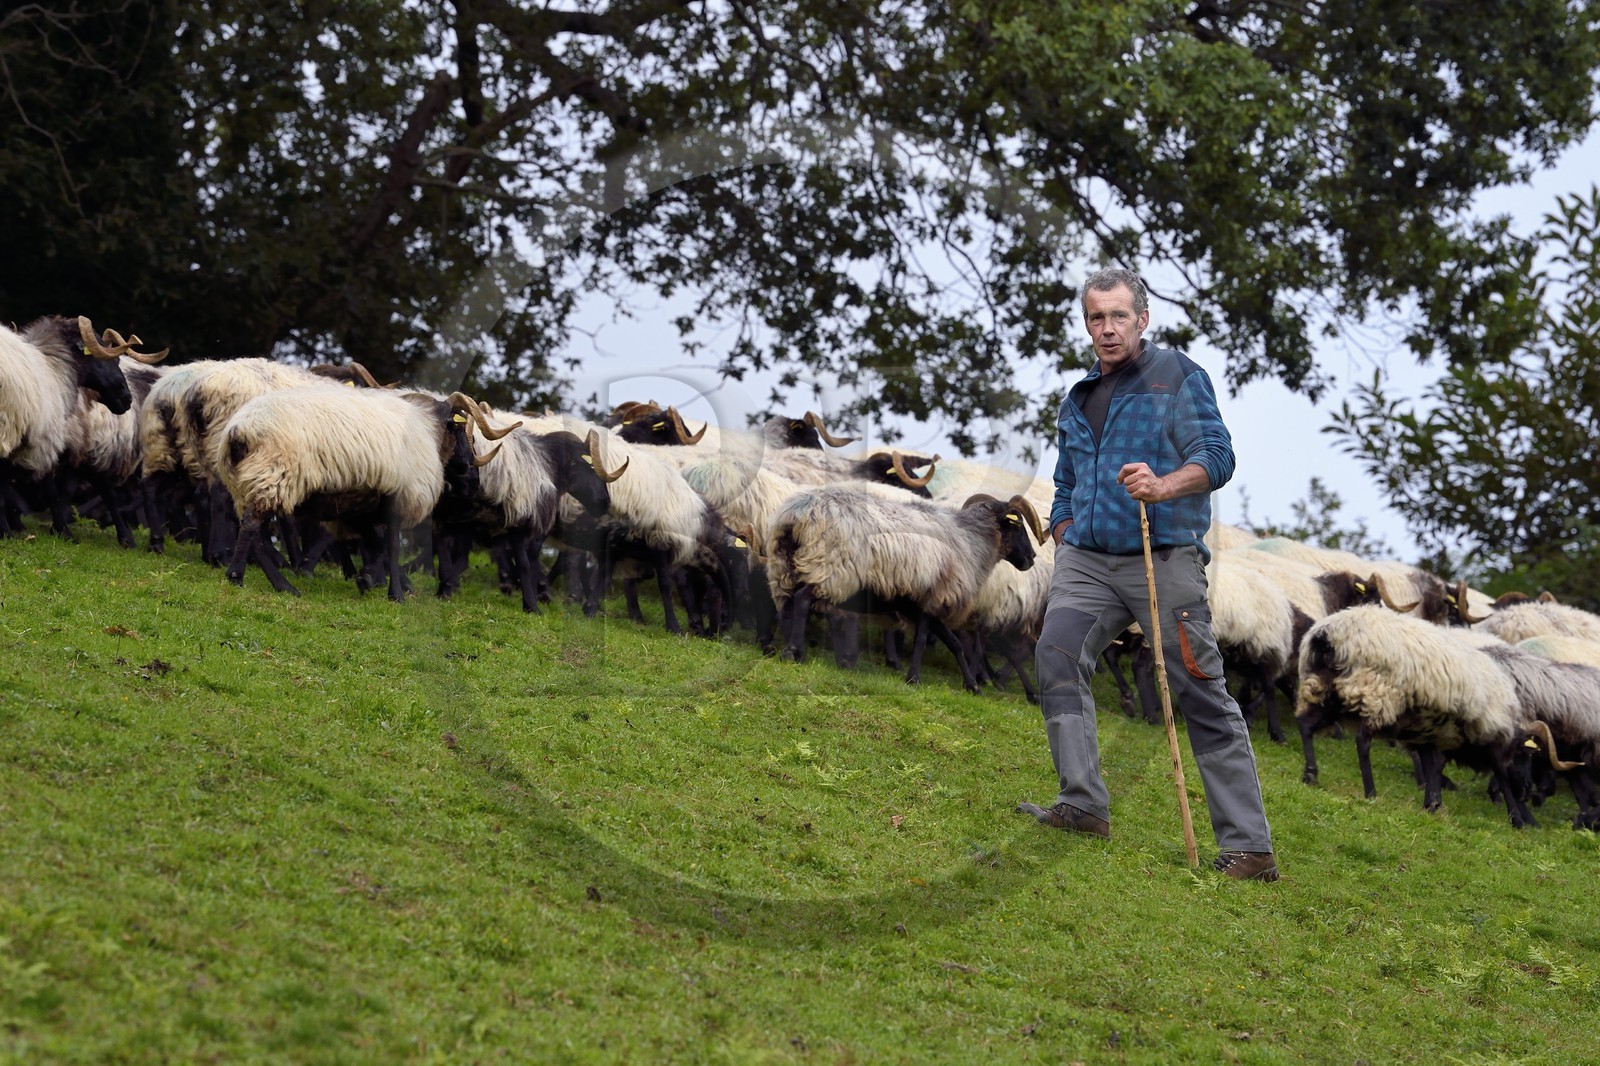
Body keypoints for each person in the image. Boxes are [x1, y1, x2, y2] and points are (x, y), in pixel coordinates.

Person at [1016, 267, 1278, 882]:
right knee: (1056, 658)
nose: (1107, 329)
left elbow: (1217, 457)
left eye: (1118, 317)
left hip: (1163, 560)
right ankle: (1081, 805)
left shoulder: (1178, 379)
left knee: (1198, 689)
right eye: (1095, 318)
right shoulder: (1077, 398)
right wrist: (1063, 528)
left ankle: (1249, 849)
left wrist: (1162, 486)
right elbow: (1065, 480)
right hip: (1087, 561)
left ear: (1142, 318)